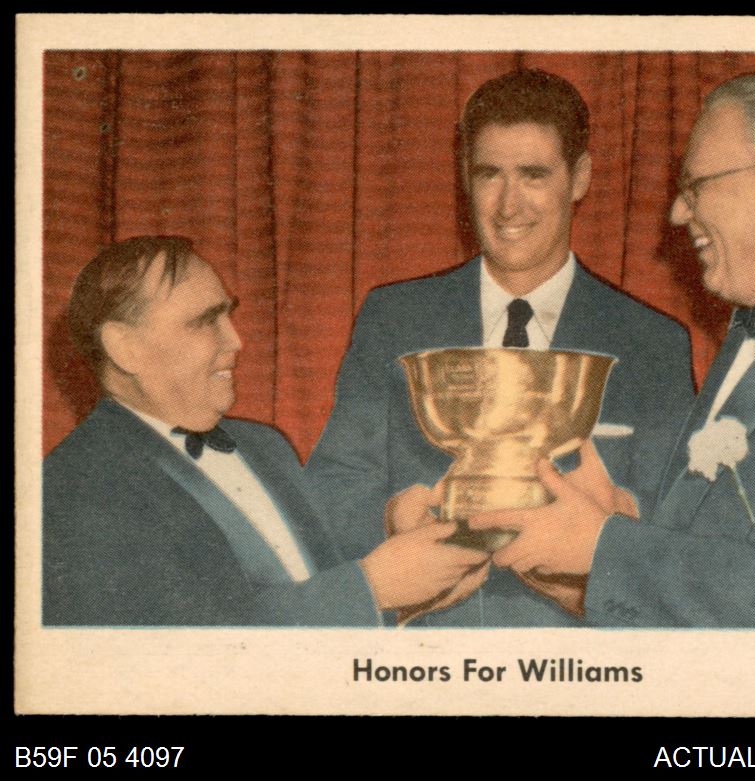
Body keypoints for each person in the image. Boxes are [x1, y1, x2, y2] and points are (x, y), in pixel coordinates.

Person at [468, 73, 755, 626]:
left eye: (696, 187)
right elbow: (723, 549)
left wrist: (603, 547)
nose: (677, 212)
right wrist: (617, 527)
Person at [305, 68, 694, 627]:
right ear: (466, 178)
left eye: (534, 175)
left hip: (575, 649)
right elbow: (332, 486)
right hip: (428, 644)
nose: (509, 205)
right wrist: (392, 519)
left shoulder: (652, 342)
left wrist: (618, 516)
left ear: (580, 178)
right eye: (489, 175)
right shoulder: (395, 318)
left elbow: (681, 518)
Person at [43, 236, 488, 626]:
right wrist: (371, 589)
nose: (236, 341)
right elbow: (168, 656)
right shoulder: (72, 485)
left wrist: (399, 547)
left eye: (228, 316)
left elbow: (315, 587)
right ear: (125, 348)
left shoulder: (265, 446)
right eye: (205, 321)